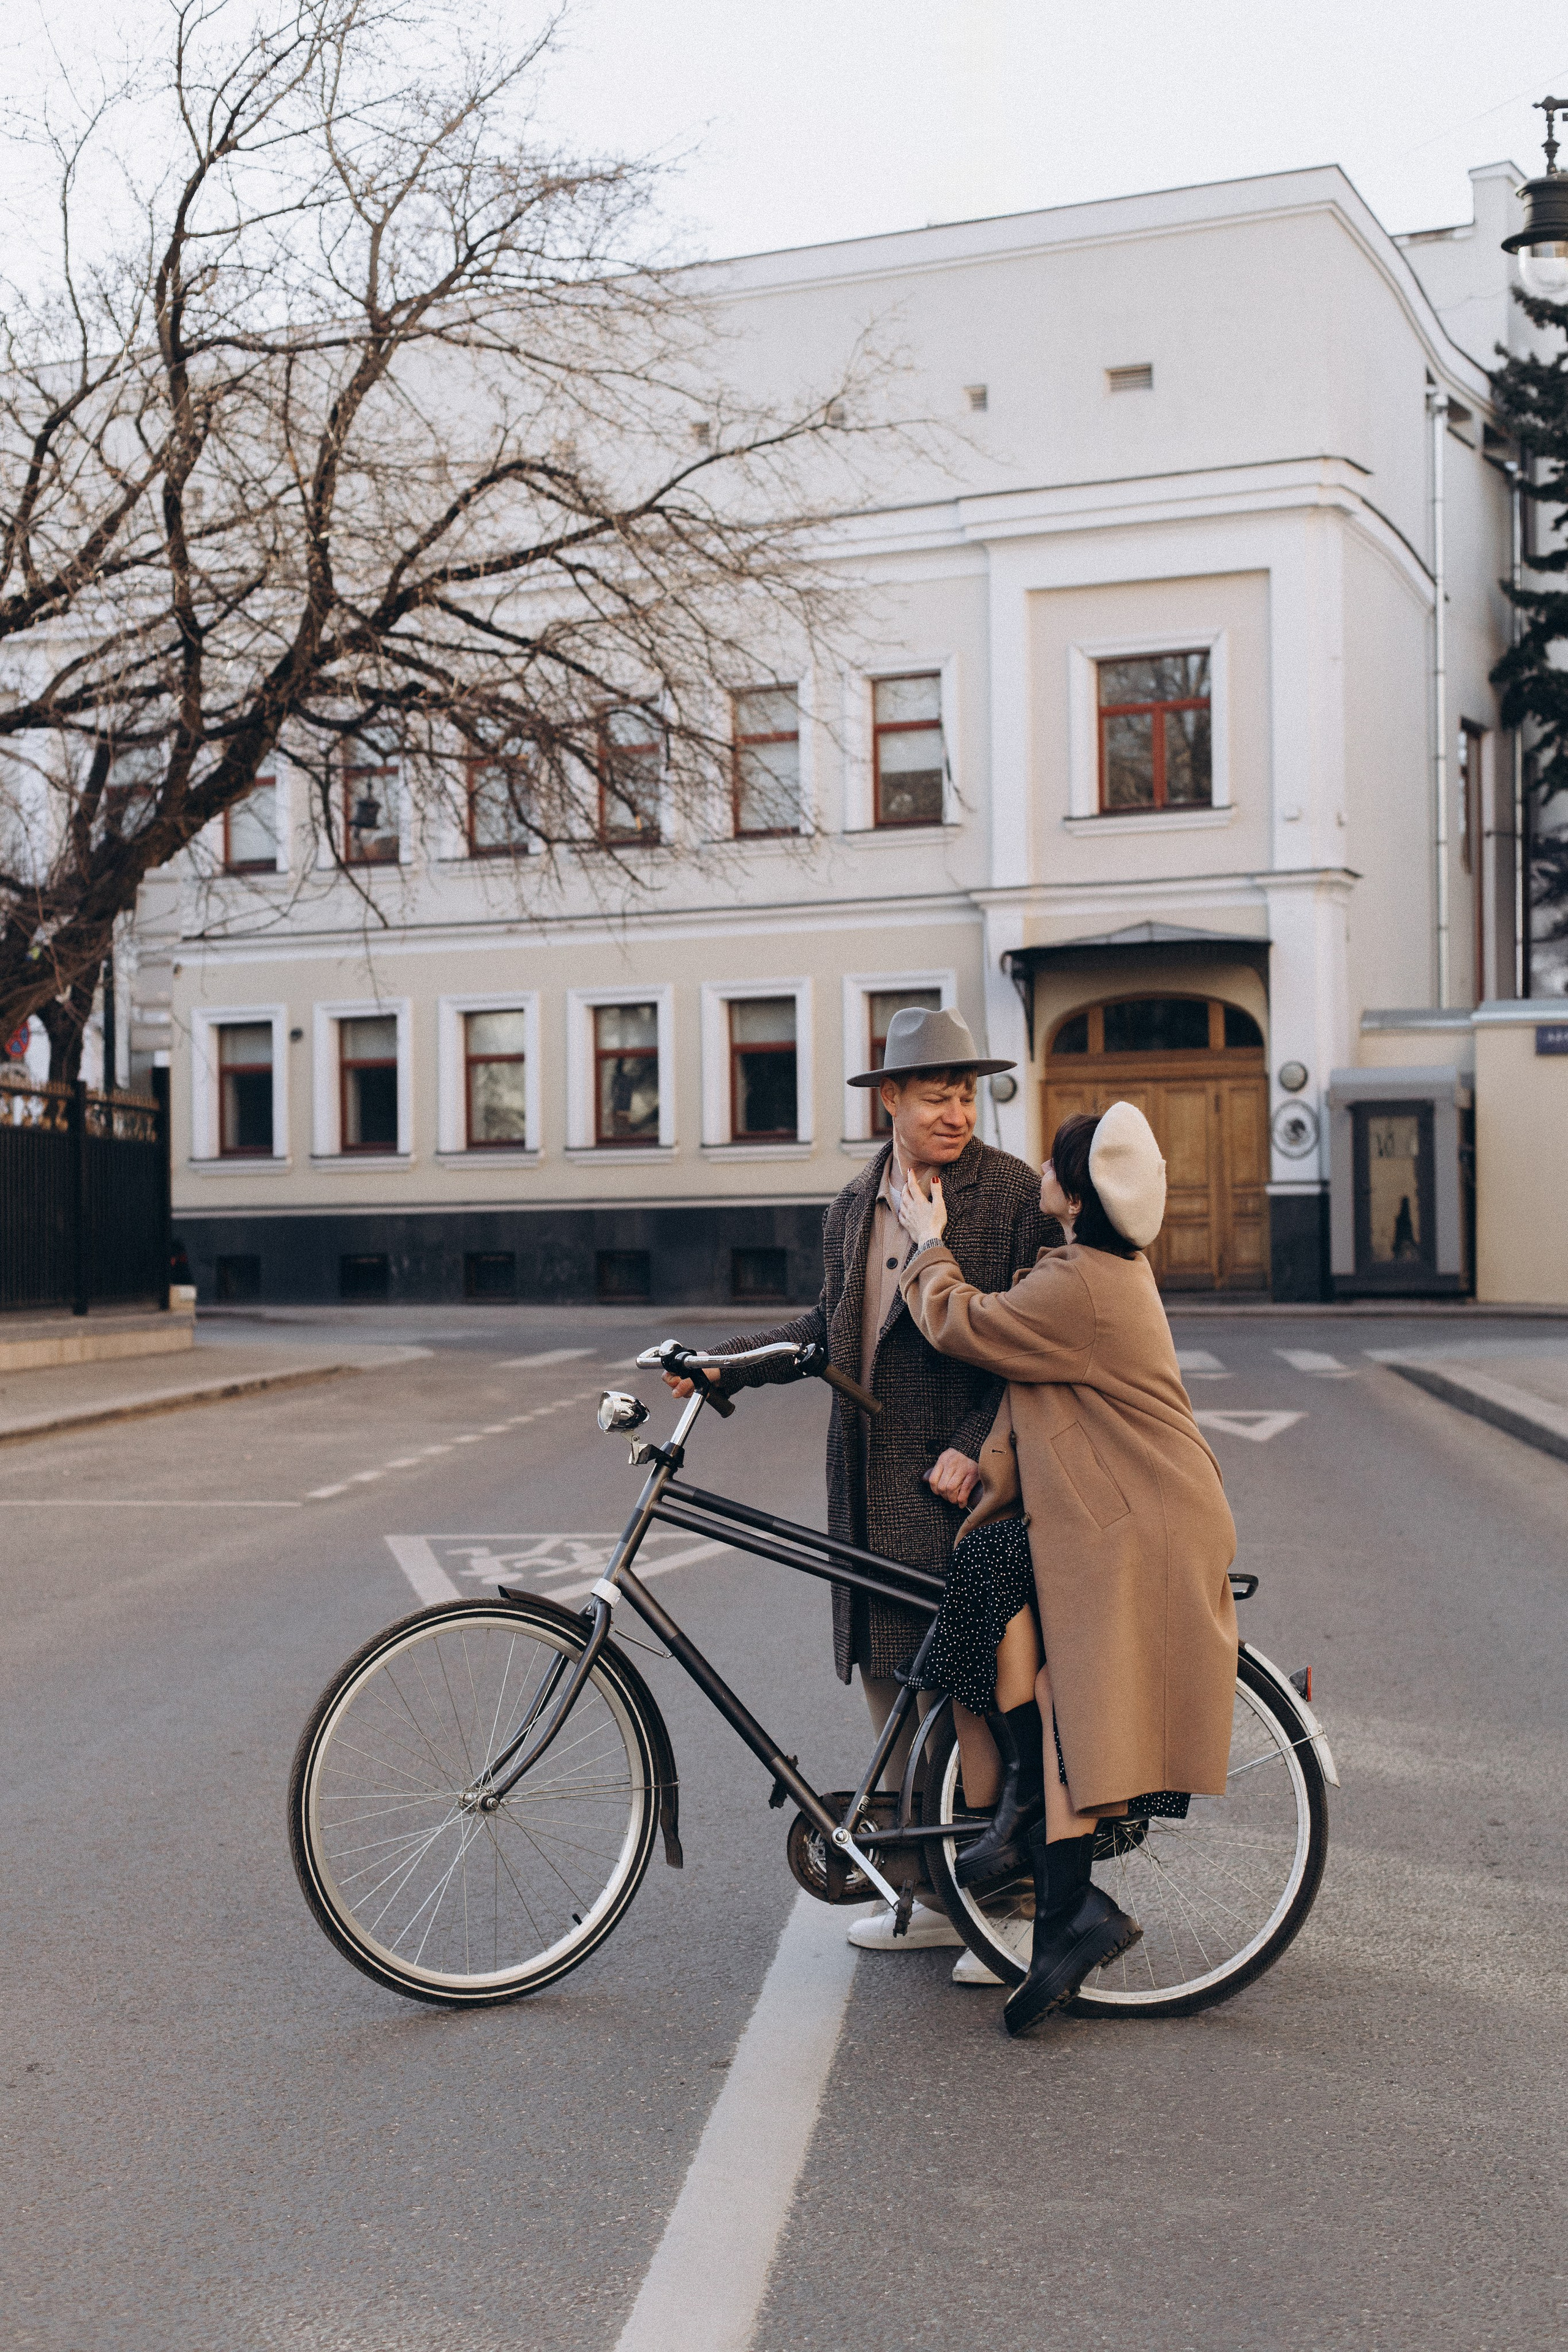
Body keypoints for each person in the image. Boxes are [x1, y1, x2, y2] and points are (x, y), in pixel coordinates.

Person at [663, 1005, 1060, 1969]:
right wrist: (726, 1367)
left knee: (967, 1693)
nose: (956, 1113)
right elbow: (826, 1327)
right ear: (891, 1100)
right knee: (891, 1690)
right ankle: (927, 1889)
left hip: (956, 1486)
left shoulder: (1007, 1196)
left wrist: (977, 1445)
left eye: (966, 1096)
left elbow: (1024, 1336)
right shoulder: (852, 1206)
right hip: (868, 1486)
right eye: (936, 1096)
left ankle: (1001, 1898)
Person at [894, 1100, 1240, 2036]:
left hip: (1144, 1522)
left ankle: (1025, 1839)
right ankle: (1060, 1897)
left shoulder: (1081, 1284)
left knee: (1006, 1609)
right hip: (1122, 1509)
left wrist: (928, 1242)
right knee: (1020, 1635)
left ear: (1075, 1194)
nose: (1039, 1170)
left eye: (1054, 1162)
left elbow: (963, 1325)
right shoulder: (1094, 1269)